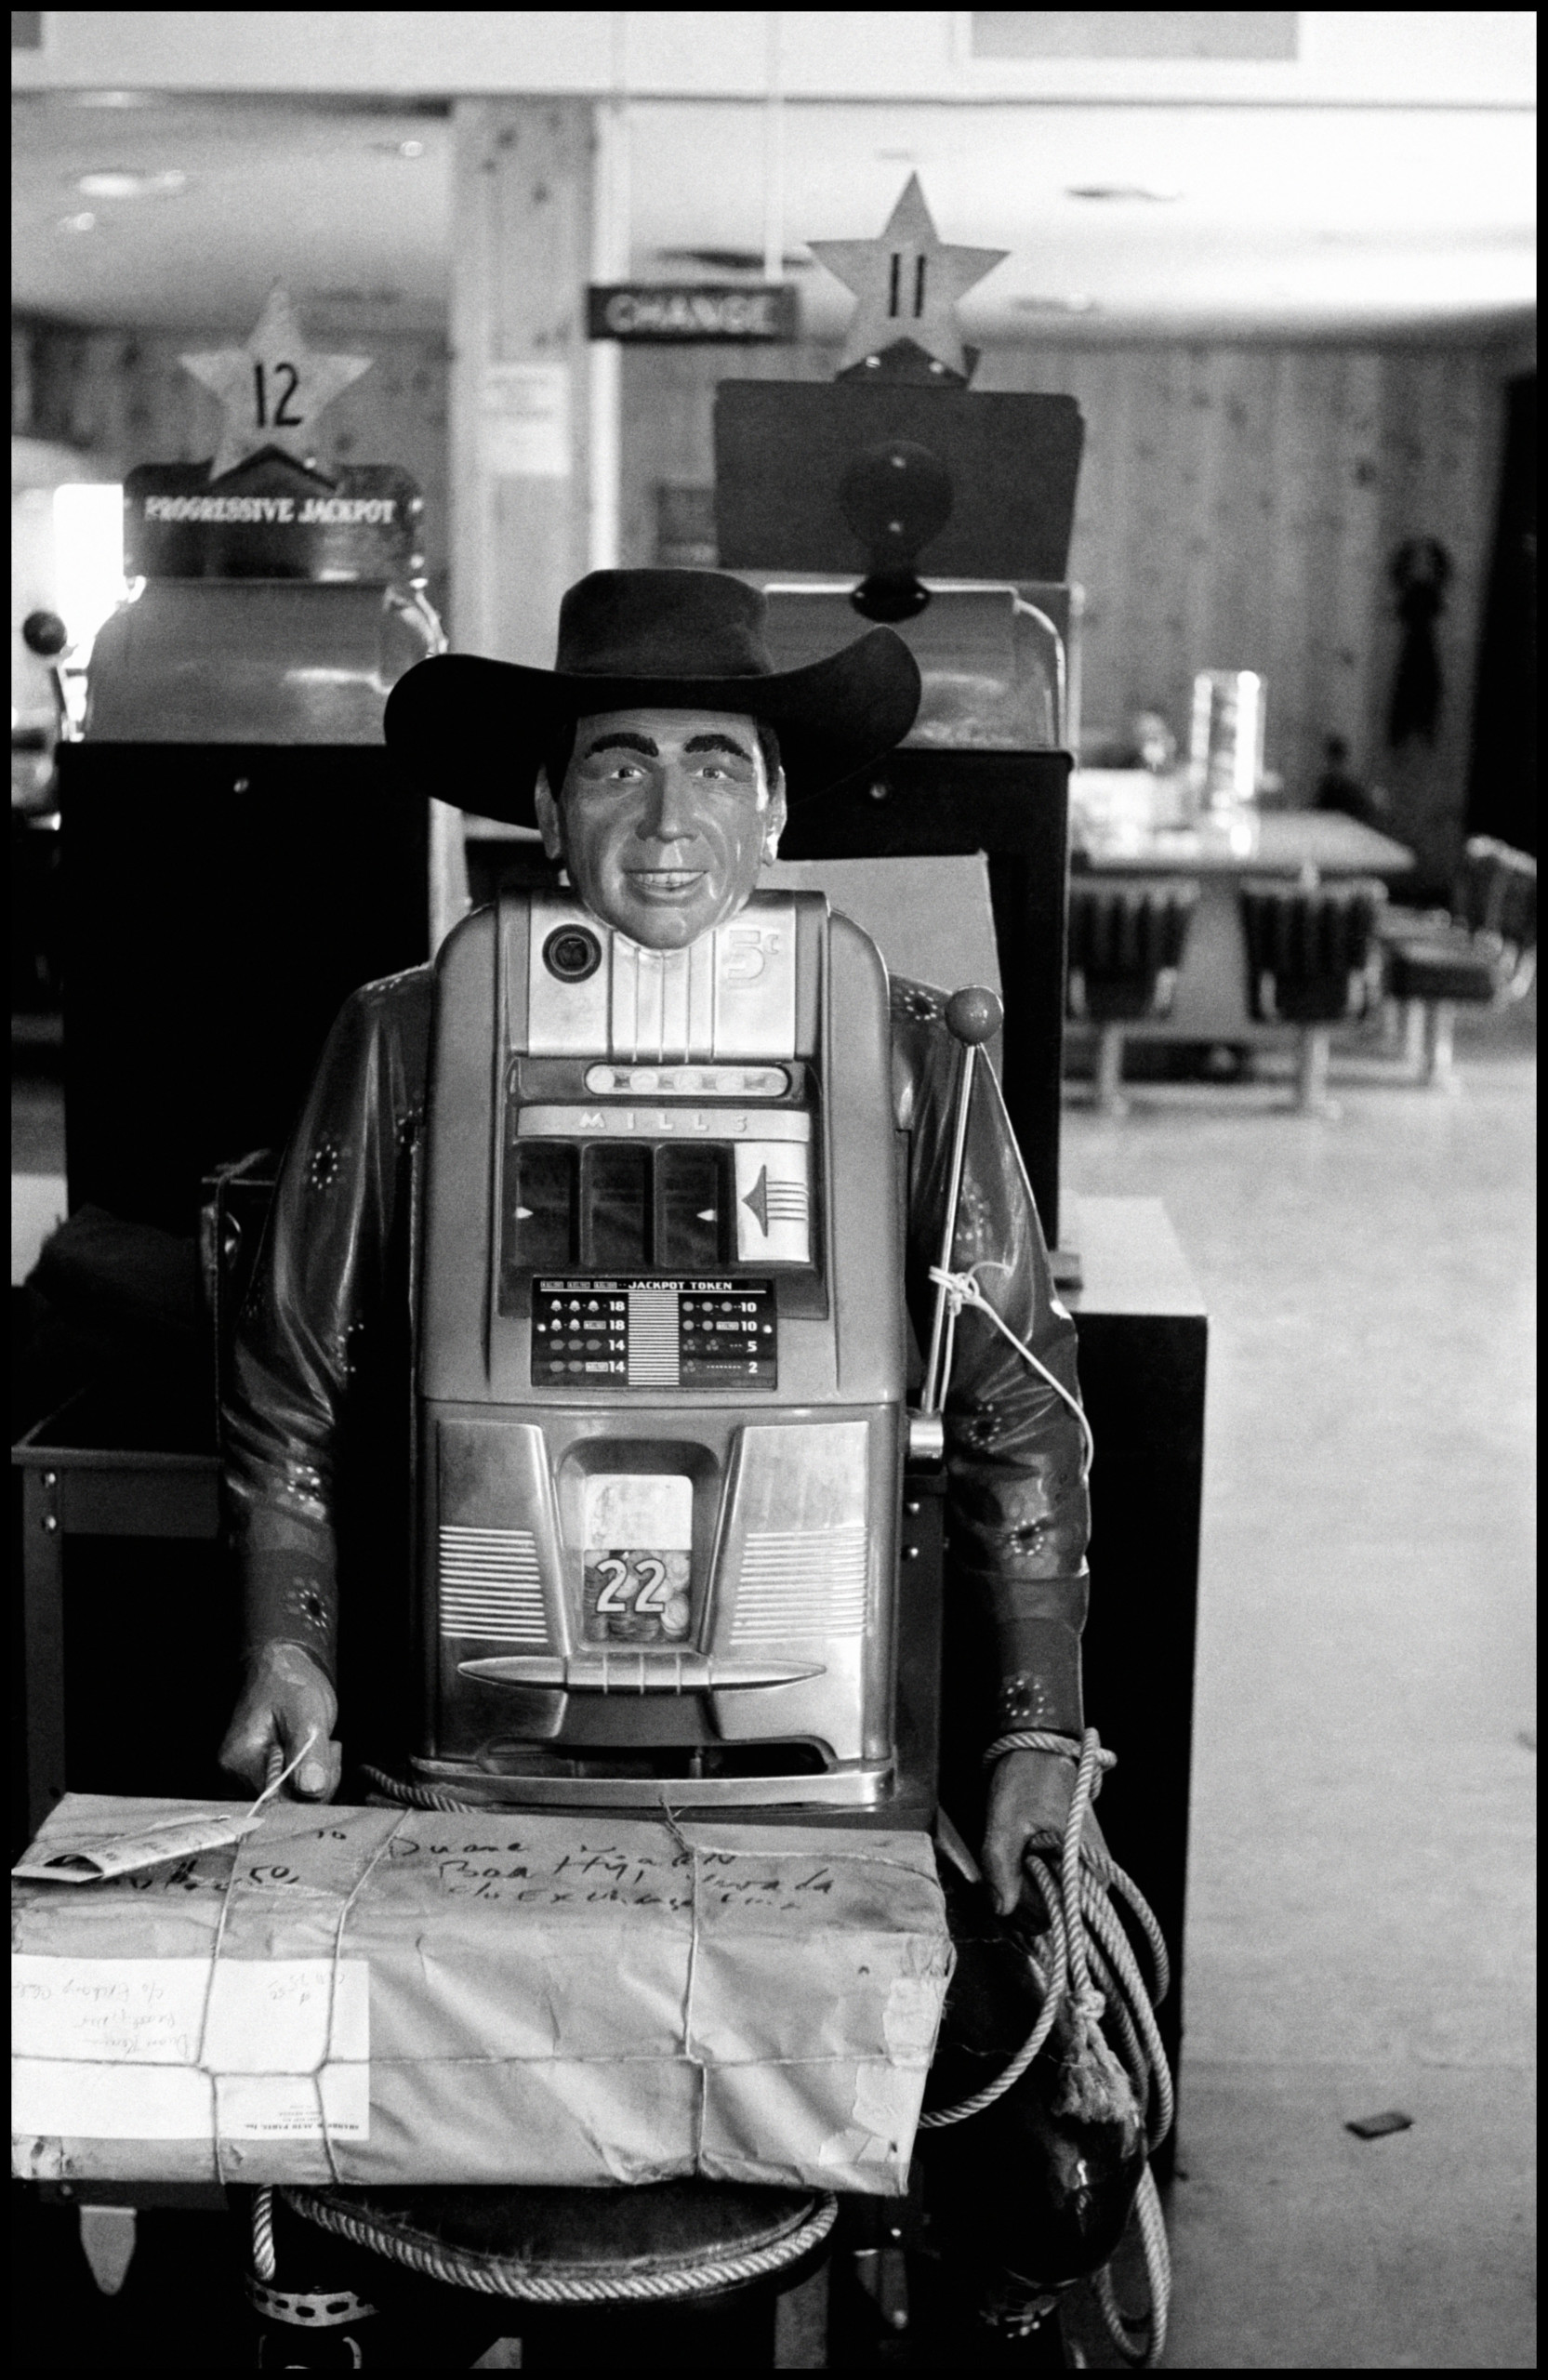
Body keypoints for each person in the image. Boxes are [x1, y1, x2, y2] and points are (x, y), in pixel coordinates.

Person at [218, 569, 1092, 1915]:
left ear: (778, 805)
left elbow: (1013, 1399)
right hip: (467, 1744)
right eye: (619, 766)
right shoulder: (403, 1035)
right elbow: (291, 1383)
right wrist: (288, 1643)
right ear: (549, 807)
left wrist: (1038, 1724)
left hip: (815, 1751)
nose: (671, 818)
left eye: (718, 767)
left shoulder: (914, 1046)